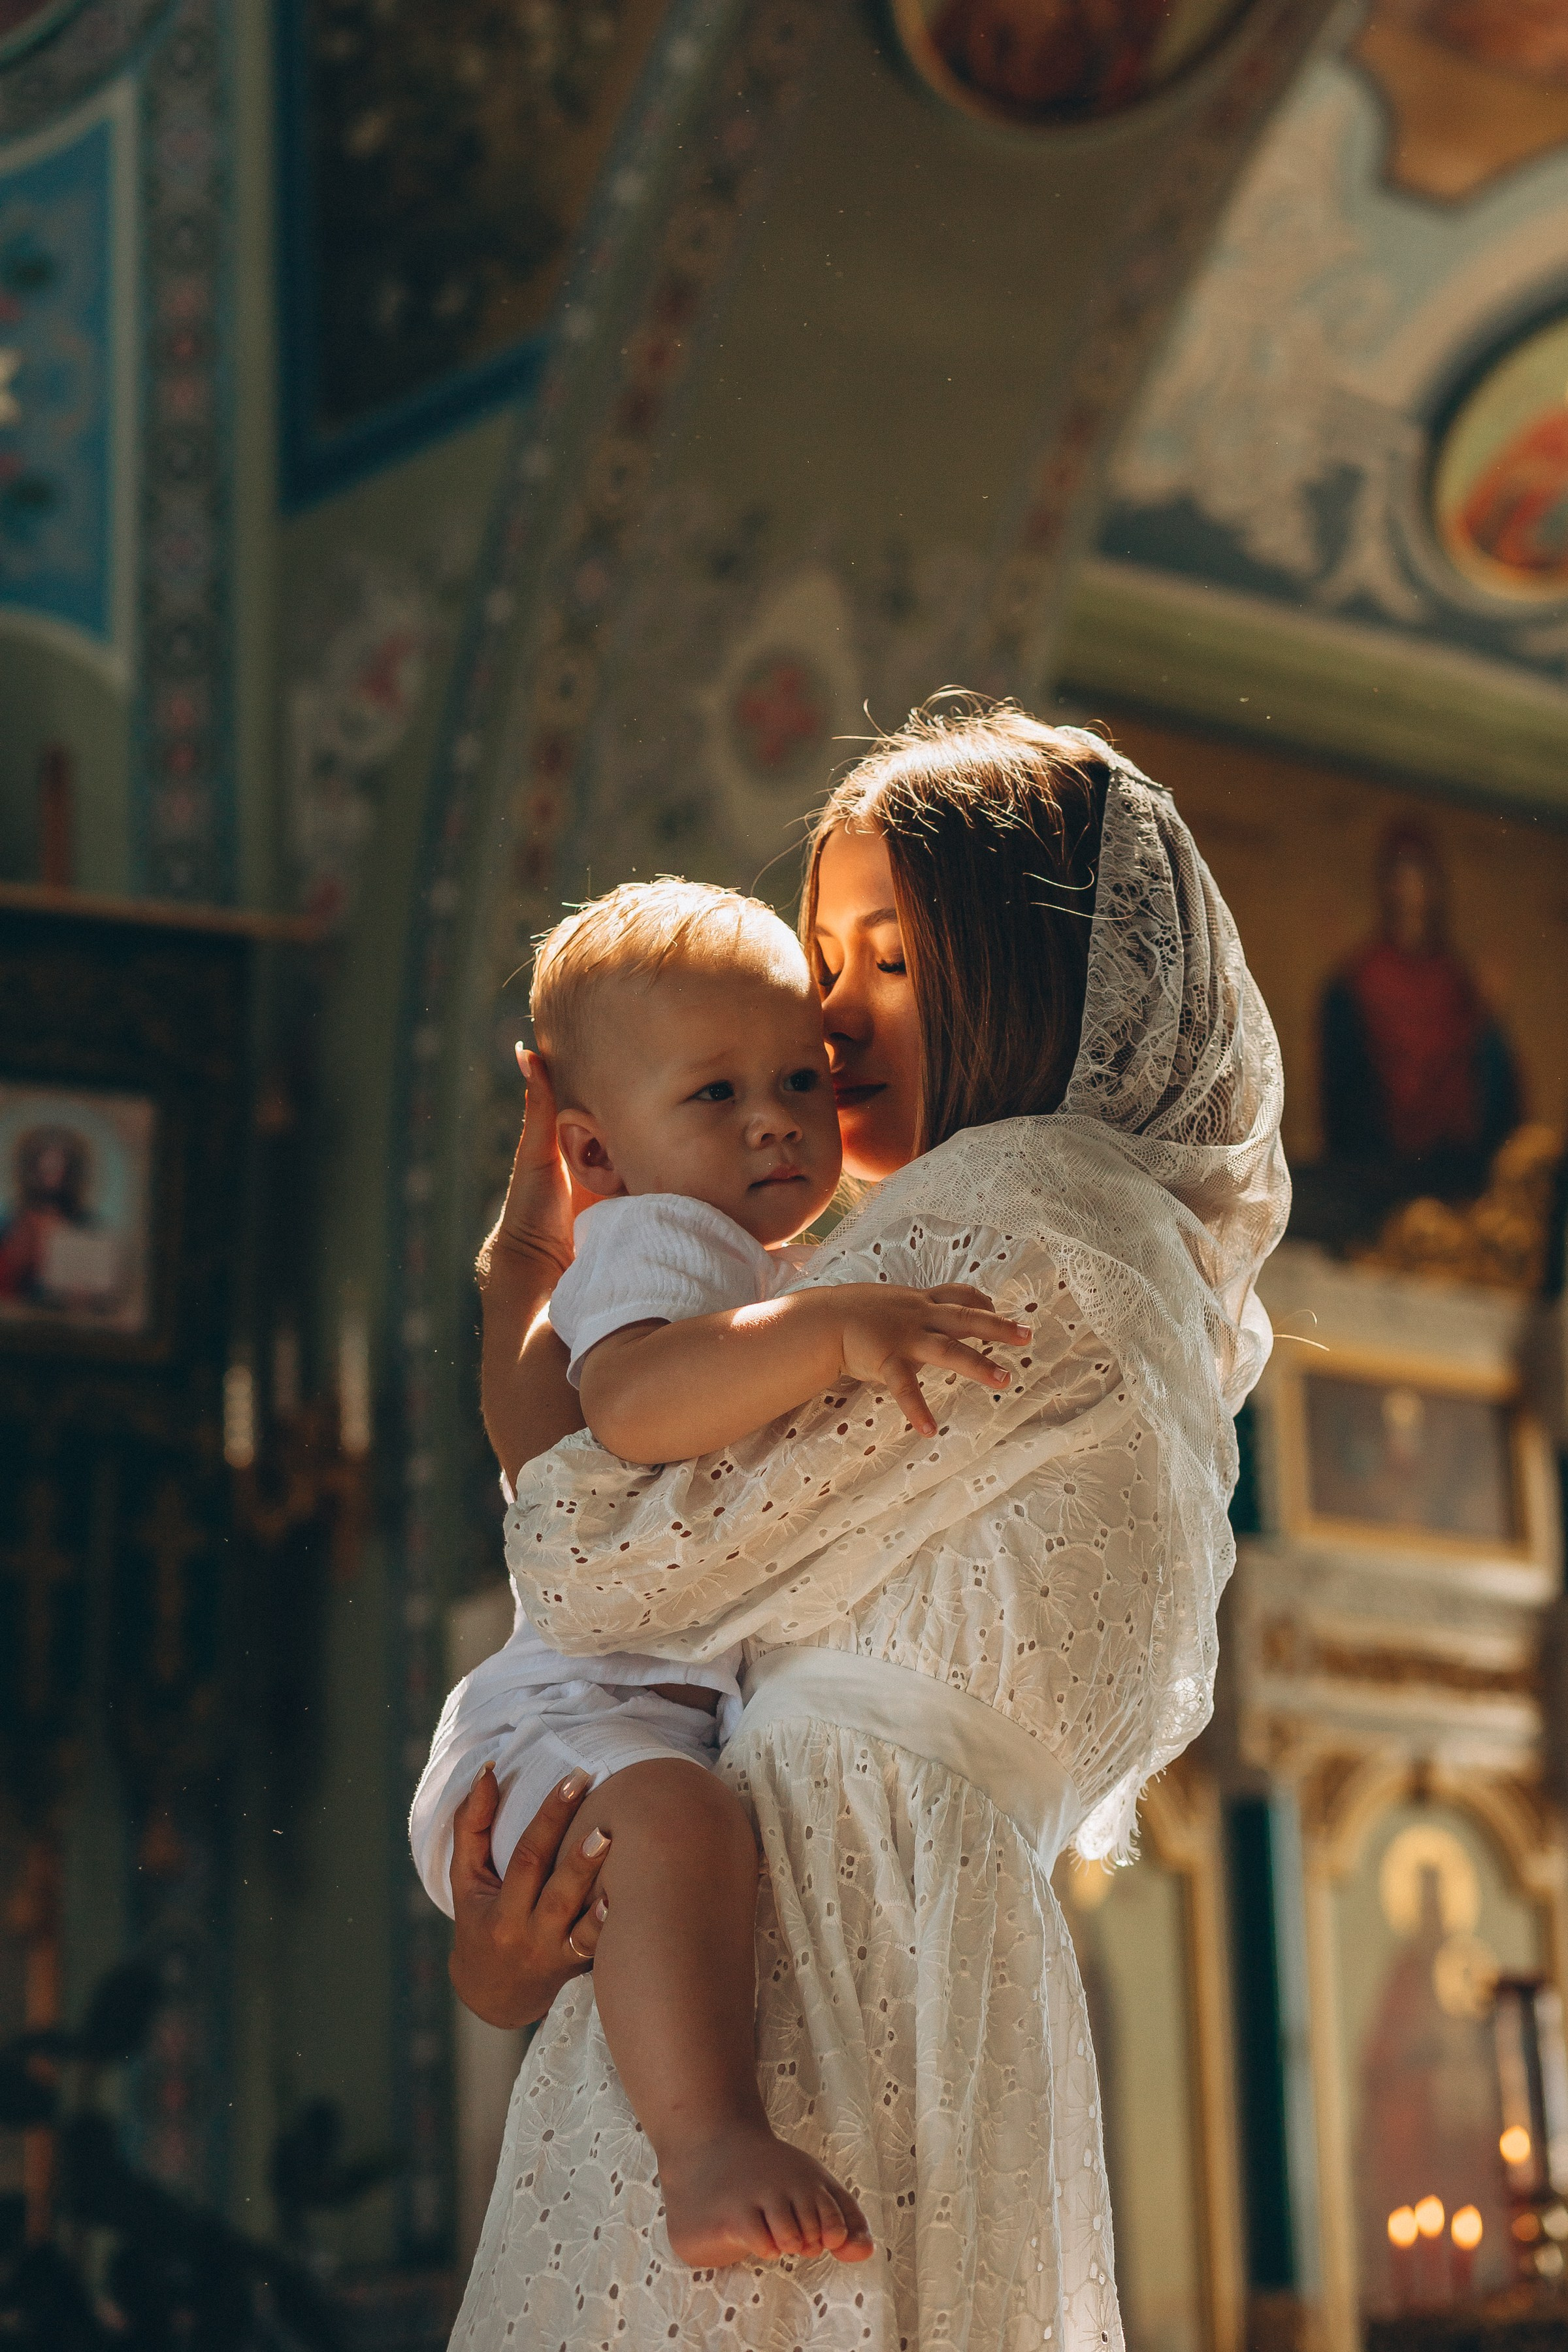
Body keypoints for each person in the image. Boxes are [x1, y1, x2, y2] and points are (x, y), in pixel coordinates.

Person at [447, 696, 1288, 2349]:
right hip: (905, 1939)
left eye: (885, 958)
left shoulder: (1007, 1218)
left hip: (821, 1960)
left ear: (1026, 964)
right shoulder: (1131, 1256)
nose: (829, 1020)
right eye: (824, 962)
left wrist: (527, 1300)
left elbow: (600, 1565)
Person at [413, 879, 1026, 2264]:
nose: (776, 1116)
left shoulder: (753, 1254)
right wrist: (822, 1329)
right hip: (578, 1728)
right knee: (681, 1830)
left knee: (690, 1836)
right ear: (593, 1151)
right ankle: (708, 2153)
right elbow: (627, 1404)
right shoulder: (671, 1248)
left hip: (628, 1720)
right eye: (714, 1093)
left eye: (797, 1077)